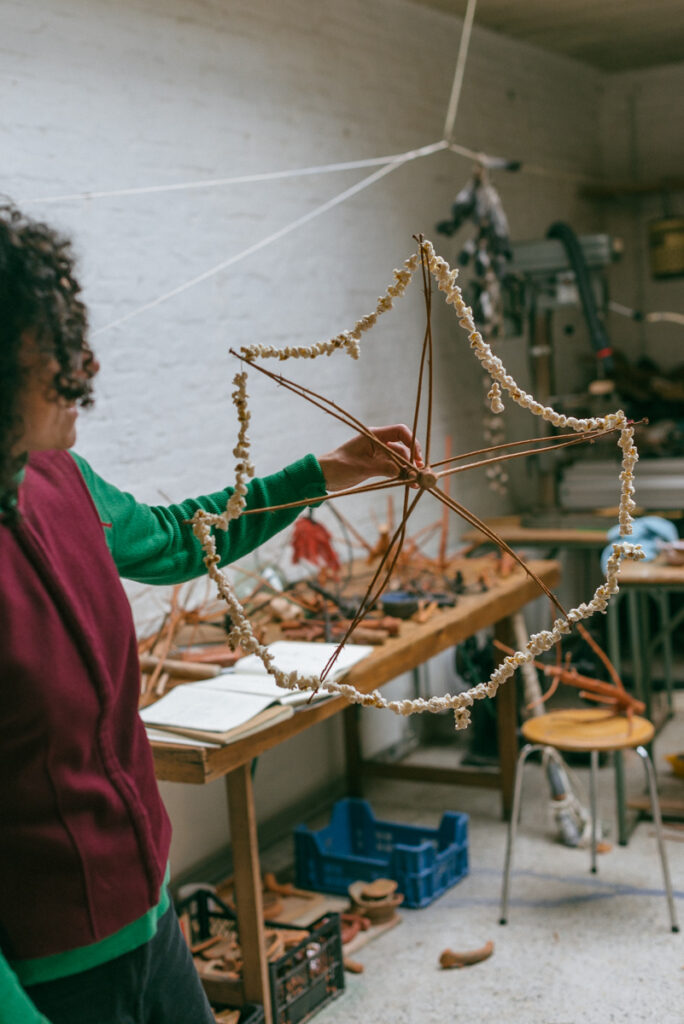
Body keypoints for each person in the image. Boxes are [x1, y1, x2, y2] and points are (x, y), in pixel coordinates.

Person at [0, 203, 422, 1024]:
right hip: (46, 976)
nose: (81, 363)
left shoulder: (61, 479)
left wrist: (325, 474)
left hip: (152, 922)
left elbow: (177, 537)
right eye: (49, 344)